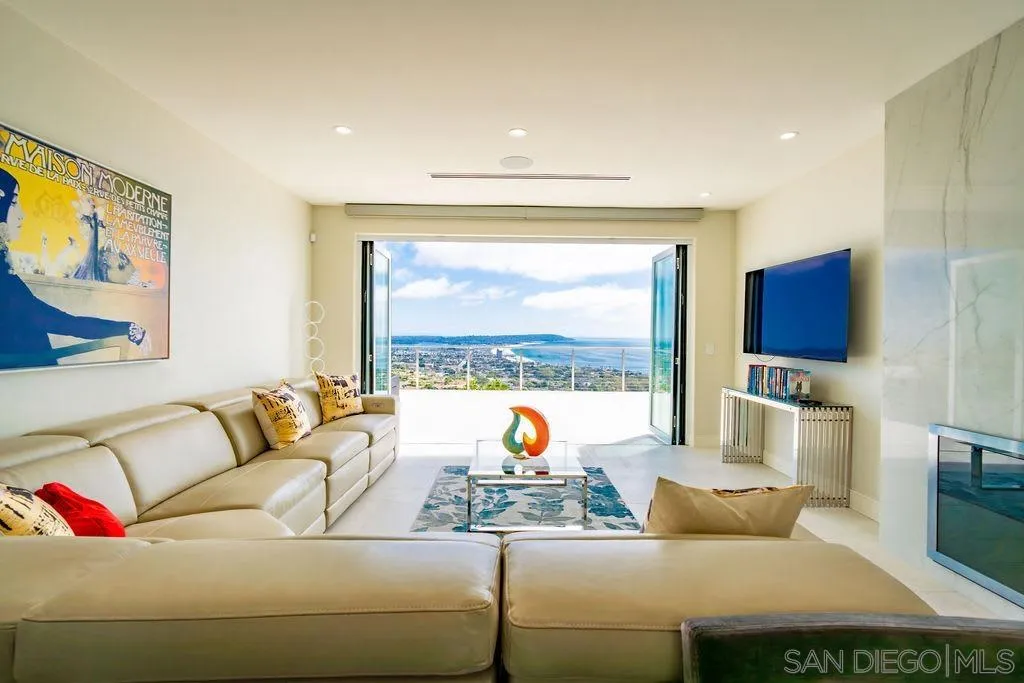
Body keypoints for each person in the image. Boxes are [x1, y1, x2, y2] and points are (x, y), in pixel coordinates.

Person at [0, 168, 148, 368]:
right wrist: (128, 329)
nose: (22, 215)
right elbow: (61, 322)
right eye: (14, 202)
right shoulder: (5, 282)